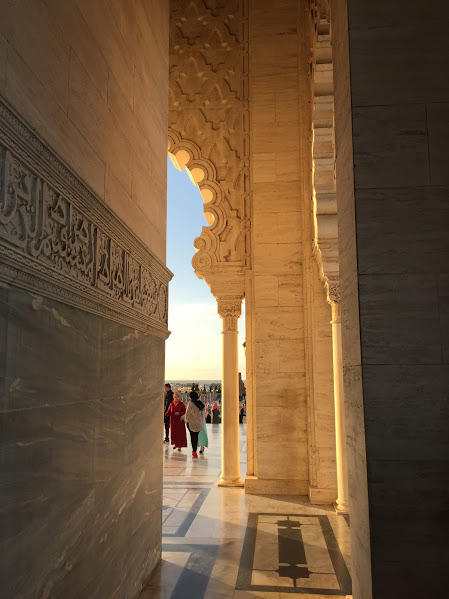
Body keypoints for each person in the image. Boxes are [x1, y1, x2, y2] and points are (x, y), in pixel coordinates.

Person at [185, 390, 204, 458]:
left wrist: (186, 420)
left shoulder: (191, 403)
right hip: (199, 423)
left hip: (191, 423)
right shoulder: (200, 403)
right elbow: (202, 414)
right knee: (196, 437)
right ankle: (196, 449)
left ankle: (194, 451)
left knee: (193, 437)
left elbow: (187, 413)